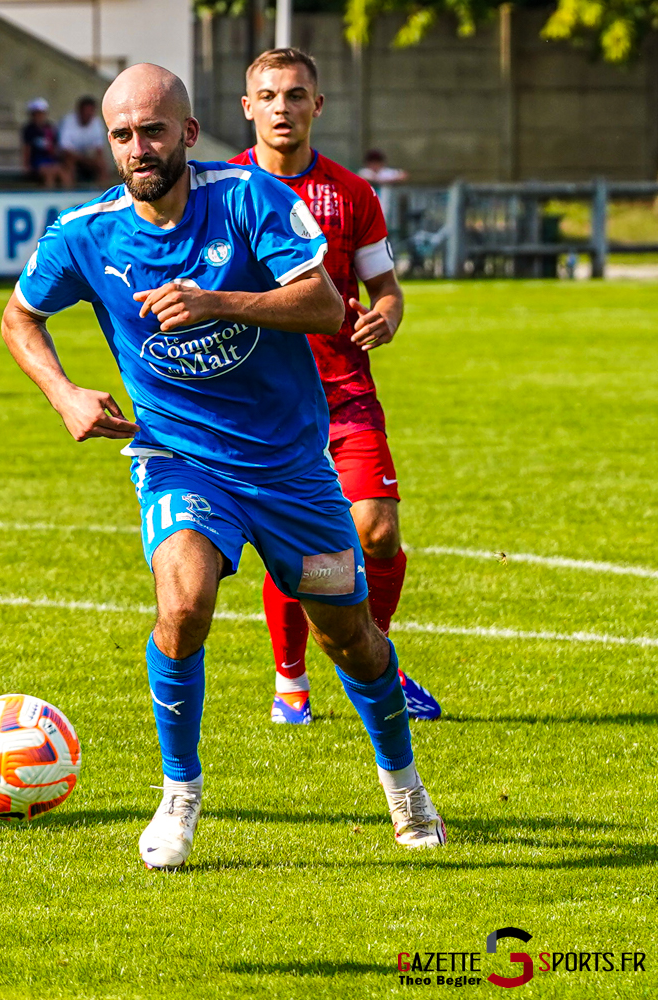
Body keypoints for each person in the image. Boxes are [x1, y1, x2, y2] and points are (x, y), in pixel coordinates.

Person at [0, 63, 447, 868]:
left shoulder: (252, 201)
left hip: (288, 467)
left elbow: (326, 306)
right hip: (180, 460)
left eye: (155, 131)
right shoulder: (84, 233)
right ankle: (179, 796)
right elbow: (19, 317)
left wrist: (215, 301)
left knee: (350, 635)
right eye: (123, 135)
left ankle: (403, 781)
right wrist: (62, 392)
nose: (140, 148)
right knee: (185, 601)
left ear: (190, 134)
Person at [231, 48, 439, 725]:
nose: (282, 108)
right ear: (248, 107)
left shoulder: (351, 193)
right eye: (268, 95)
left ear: (317, 106)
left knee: (376, 533)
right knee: (297, 542)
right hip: (261, 399)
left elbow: (387, 288)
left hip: (345, 388)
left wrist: (387, 316)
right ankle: (290, 679)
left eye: (295, 95)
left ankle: (370, 654)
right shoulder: (219, 188)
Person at [58, 95, 109, 185]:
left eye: (90, 112)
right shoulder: (68, 121)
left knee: (102, 165)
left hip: (87, 157)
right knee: (69, 163)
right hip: (70, 157)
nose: (88, 115)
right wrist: (84, 160)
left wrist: (95, 160)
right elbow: (65, 149)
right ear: (79, 111)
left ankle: (101, 192)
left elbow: (99, 149)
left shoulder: (97, 122)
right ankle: (70, 192)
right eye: (86, 111)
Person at [20, 98, 65, 189]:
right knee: (48, 173)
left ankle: (69, 196)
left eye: (41, 113)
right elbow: (27, 148)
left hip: (50, 159)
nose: (39, 116)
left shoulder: (50, 128)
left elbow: (55, 147)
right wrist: (26, 165)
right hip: (37, 161)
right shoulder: (29, 129)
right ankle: (50, 196)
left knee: (63, 173)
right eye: (37, 113)